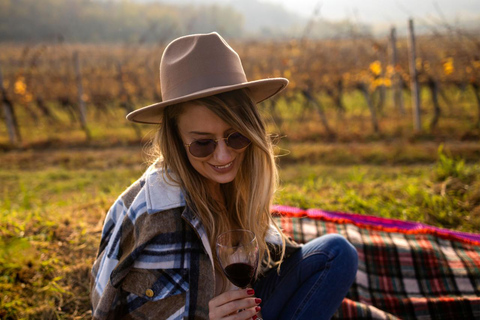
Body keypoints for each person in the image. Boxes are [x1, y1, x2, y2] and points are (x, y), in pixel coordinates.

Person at [90, 32, 358, 320]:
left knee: (337, 253)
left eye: (236, 137)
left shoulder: (238, 184)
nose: (224, 156)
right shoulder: (159, 215)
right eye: (203, 143)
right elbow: (107, 311)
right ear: (176, 141)